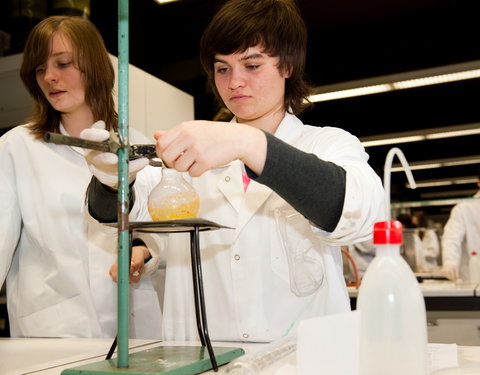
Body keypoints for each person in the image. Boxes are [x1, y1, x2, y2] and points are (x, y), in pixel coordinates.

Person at [83, 0, 384, 342]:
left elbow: (357, 212)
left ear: (287, 66)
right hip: (206, 355)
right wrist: (110, 180)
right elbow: (115, 214)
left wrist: (250, 143)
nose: (235, 82)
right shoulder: (186, 160)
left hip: (304, 356)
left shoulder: (327, 144)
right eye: (222, 69)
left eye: (252, 65)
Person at [0, 16, 163, 338]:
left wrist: (143, 251)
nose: (49, 77)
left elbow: (161, 234)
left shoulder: (138, 147)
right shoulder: (17, 148)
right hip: (54, 332)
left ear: (95, 68)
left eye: (63, 64)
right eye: (39, 68)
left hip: (134, 326)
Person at [441, 169, 480, 281]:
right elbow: (451, 238)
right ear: (478, 182)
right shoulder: (464, 208)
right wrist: (450, 261)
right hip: (474, 280)